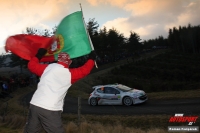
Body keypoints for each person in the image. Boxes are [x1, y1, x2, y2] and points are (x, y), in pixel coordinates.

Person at [24, 48, 96, 133]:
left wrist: (38, 55)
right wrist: (91, 59)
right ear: (69, 62)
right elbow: (85, 70)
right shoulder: (70, 74)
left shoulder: (47, 68)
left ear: (58, 60)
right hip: (50, 108)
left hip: (35, 105)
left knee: (31, 131)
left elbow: (31, 66)